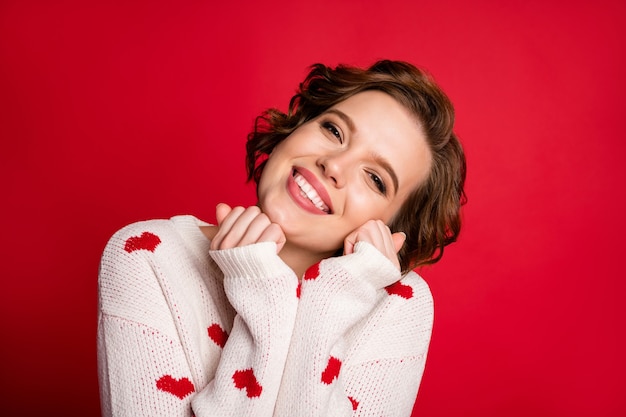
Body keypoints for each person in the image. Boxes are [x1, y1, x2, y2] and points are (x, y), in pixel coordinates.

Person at [97, 60, 466, 416]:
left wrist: (330, 304)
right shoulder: (147, 255)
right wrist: (261, 292)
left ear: (391, 230)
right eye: (334, 130)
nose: (333, 165)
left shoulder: (397, 304)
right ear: (297, 127)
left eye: (375, 179)